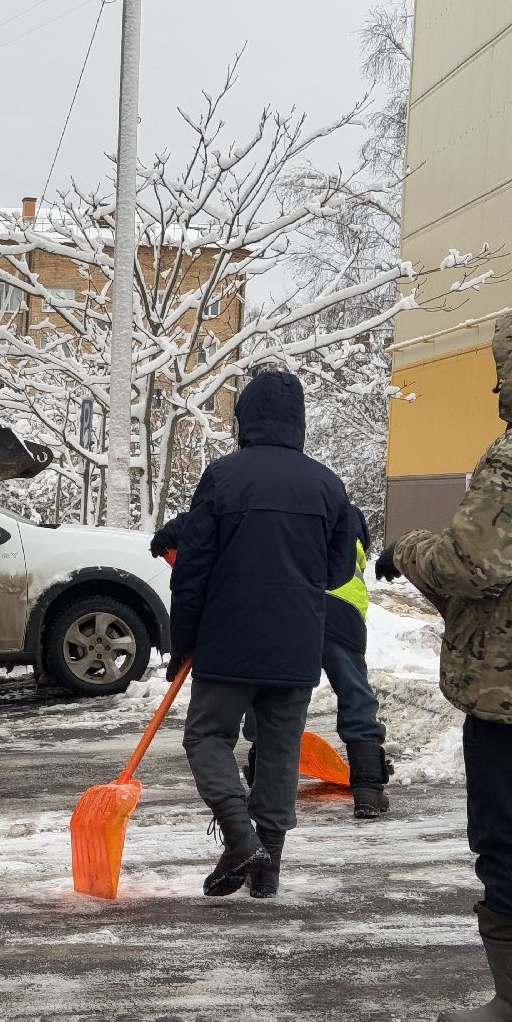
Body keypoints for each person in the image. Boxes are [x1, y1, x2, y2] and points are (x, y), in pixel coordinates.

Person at [377, 318, 512, 1022]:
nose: (495, 385)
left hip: (507, 693)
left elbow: (476, 565)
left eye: (503, 368)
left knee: (504, 838)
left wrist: (408, 549)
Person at [168, 368, 355, 899]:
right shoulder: (327, 484)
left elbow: (193, 569)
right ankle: (267, 870)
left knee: (207, 736)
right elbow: (339, 571)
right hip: (296, 641)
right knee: (279, 750)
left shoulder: (223, 476)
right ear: (298, 421)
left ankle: (241, 837)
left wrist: (183, 642)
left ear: (244, 418)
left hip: (229, 638)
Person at [153, 503, 391, 823]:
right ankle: (368, 788)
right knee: (353, 692)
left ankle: (264, 784)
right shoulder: (343, 517)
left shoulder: (272, 506)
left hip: (291, 608)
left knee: (265, 682)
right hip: (343, 613)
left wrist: (168, 536)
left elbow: (211, 519)